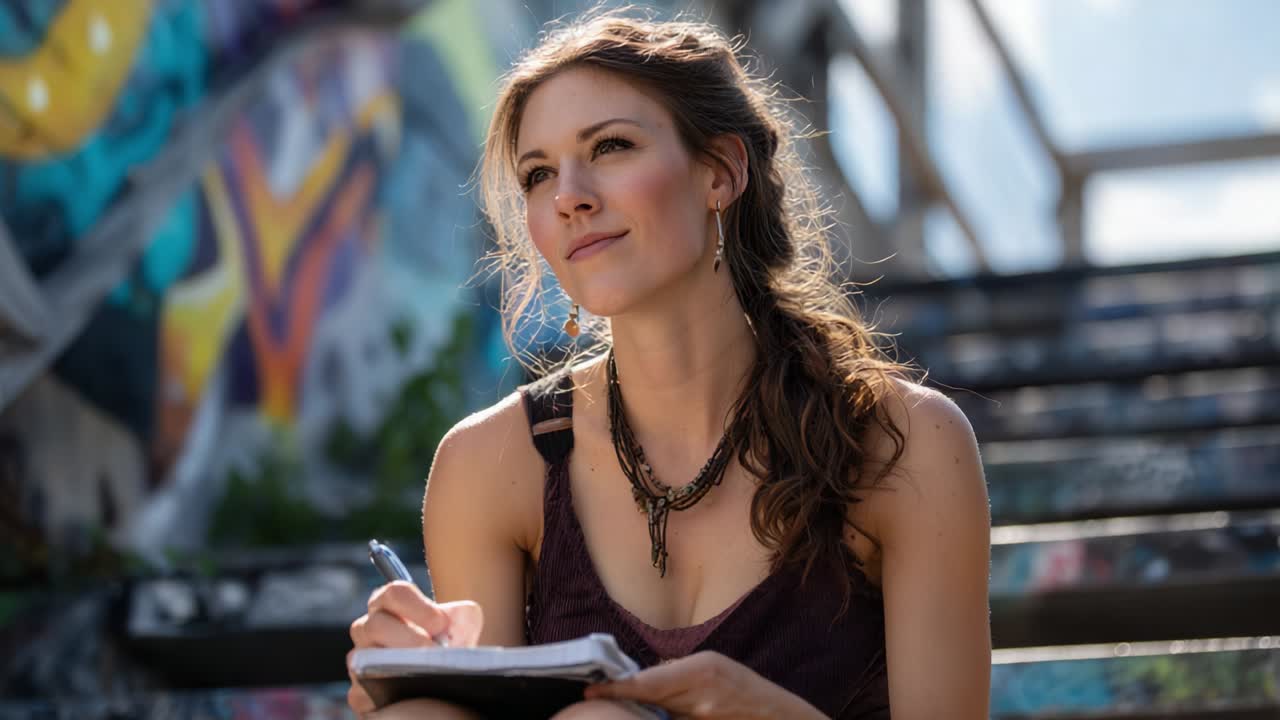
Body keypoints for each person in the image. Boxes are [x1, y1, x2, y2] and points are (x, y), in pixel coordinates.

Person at [348, 9, 990, 719]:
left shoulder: (905, 443)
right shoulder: (491, 464)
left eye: (612, 146)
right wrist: (416, 680)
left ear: (720, 171)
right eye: (537, 174)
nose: (569, 197)